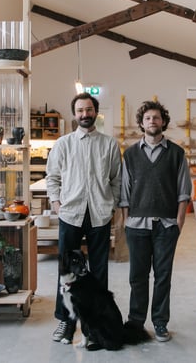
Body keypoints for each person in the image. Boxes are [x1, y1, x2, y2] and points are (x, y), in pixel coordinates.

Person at [46, 92, 122, 344]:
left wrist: (112, 207)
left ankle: (93, 326)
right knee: (67, 272)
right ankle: (66, 323)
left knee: (98, 272)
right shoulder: (63, 144)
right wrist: (56, 203)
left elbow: (116, 180)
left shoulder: (109, 144)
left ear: (95, 112)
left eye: (89, 109)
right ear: (74, 114)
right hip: (70, 213)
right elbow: (52, 177)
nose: (84, 114)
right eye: (80, 110)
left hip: (100, 214)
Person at [119, 100, 192, 342]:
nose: (152, 121)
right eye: (148, 118)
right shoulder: (129, 154)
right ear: (141, 123)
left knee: (163, 276)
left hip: (166, 226)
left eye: (157, 117)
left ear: (163, 122)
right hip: (137, 226)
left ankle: (160, 323)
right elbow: (124, 192)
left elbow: (184, 191)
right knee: (137, 277)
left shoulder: (177, 153)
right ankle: (136, 323)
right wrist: (127, 220)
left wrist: (179, 223)